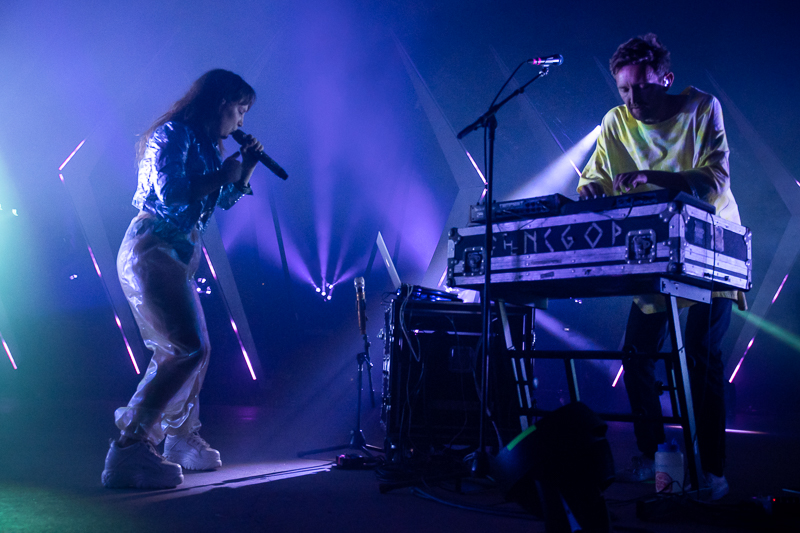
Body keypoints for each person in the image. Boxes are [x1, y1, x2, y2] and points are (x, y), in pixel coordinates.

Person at [578, 34, 744, 500]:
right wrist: (592, 187)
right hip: (657, 253)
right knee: (637, 356)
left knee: (700, 356)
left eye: (643, 89)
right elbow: (595, 175)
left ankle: (712, 472)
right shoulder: (616, 122)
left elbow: (715, 179)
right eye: (624, 91)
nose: (633, 101)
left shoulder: (701, 108)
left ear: (666, 79)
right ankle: (654, 458)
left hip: (711, 250)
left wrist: (655, 178)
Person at [101, 69, 264, 489]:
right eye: (239, 109)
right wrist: (224, 175)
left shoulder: (208, 147)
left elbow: (220, 198)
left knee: (192, 348)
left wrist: (242, 170)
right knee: (184, 348)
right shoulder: (170, 135)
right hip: (150, 248)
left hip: (175, 255)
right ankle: (129, 448)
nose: (241, 121)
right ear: (219, 101)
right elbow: (173, 193)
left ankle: (177, 437)